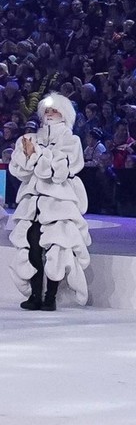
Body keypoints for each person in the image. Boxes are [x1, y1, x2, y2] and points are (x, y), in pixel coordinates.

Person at [9, 93, 90, 311]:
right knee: (31, 247)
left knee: (58, 249)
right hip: (33, 205)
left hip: (59, 203)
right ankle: (36, 295)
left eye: (54, 110)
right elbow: (20, 169)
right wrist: (30, 155)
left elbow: (60, 171)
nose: (49, 114)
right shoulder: (31, 138)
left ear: (64, 113)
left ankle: (51, 296)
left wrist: (37, 155)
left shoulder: (71, 141)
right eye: (47, 110)